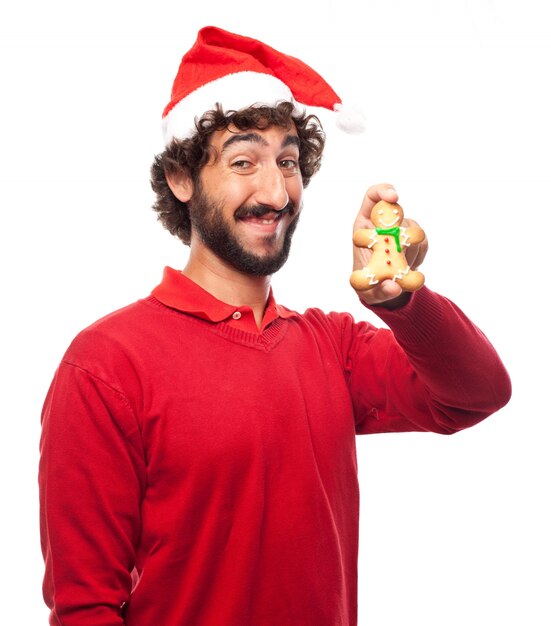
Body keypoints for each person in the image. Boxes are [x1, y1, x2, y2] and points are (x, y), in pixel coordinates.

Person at [39, 26, 511, 626]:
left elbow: (477, 395)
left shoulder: (331, 345)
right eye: (243, 161)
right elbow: (85, 608)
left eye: (287, 161)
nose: (275, 191)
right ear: (181, 179)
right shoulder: (106, 364)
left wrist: (400, 304)